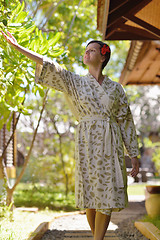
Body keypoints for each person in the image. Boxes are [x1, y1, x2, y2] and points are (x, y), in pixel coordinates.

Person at [1, 31, 139, 240]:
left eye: (91, 50)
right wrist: (19, 48)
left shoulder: (116, 89)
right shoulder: (75, 82)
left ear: (103, 57)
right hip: (87, 143)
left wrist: (134, 154)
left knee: (107, 193)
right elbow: (49, 64)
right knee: (92, 197)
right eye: (85, 50)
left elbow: (125, 121)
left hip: (110, 144)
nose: (86, 53)